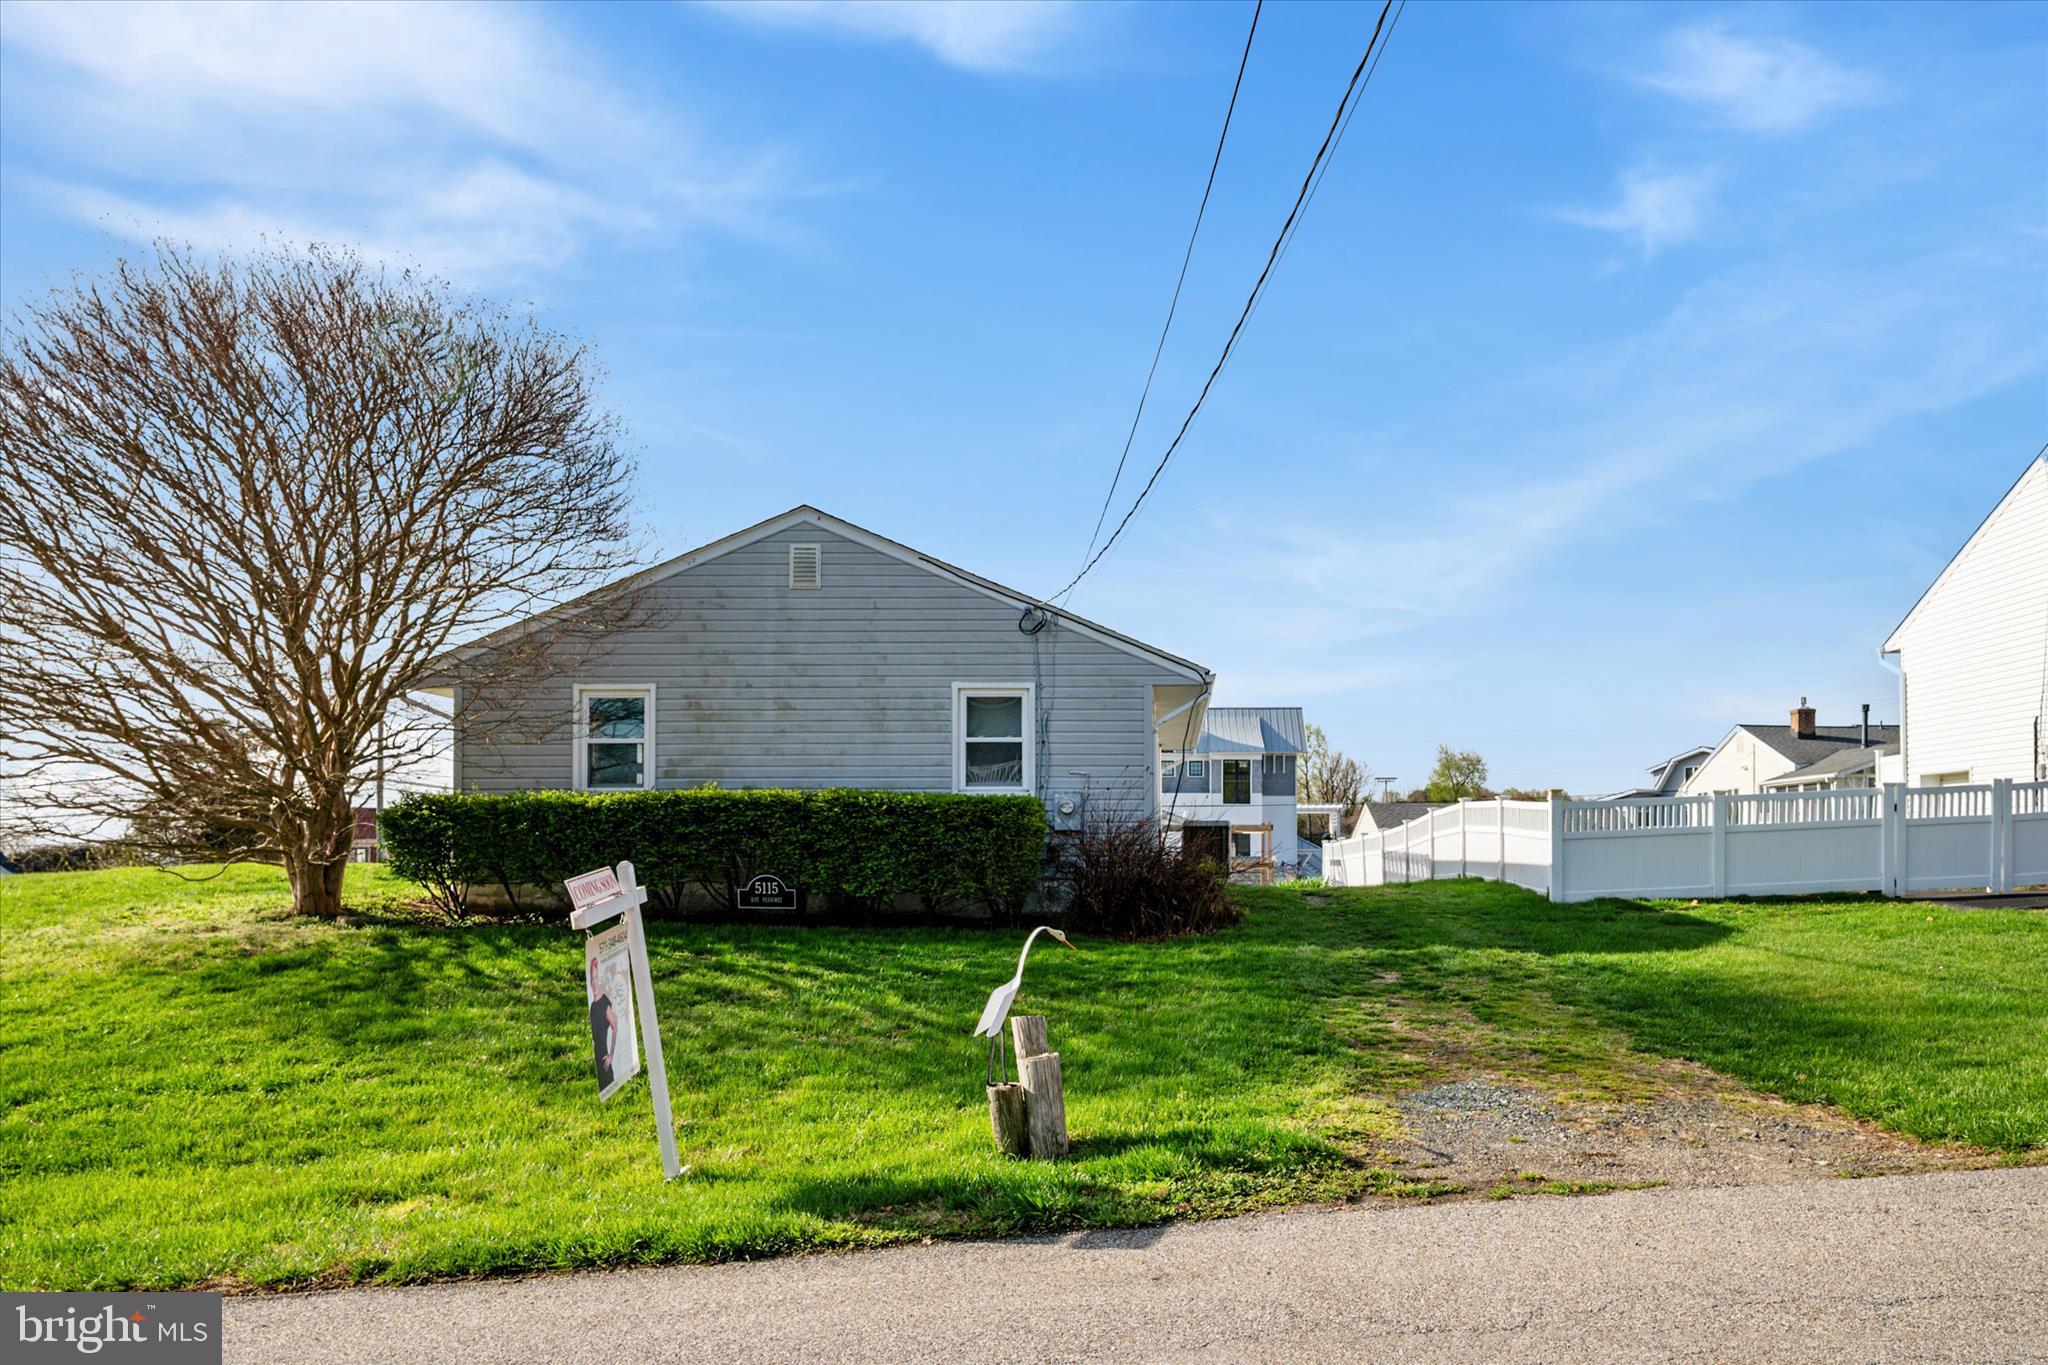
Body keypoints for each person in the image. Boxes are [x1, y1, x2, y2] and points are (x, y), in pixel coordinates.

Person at [588, 955, 617, 1091]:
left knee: (609, 1087)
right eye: (592, 978)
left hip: (604, 1057)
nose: (595, 982)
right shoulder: (592, 1006)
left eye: (597, 978)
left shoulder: (604, 1001)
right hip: (596, 1056)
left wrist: (611, 1055)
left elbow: (614, 1027)